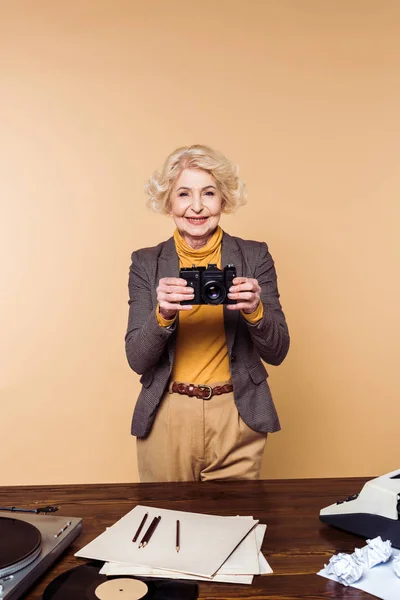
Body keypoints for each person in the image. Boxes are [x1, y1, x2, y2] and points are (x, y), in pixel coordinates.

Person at [125, 145, 289, 482]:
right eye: (183, 194)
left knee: (236, 528)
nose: (196, 206)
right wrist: (163, 315)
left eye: (209, 193)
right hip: (168, 413)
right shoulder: (146, 263)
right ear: (168, 202)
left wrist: (256, 310)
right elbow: (137, 360)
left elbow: (278, 352)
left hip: (238, 413)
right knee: (166, 526)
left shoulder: (254, 257)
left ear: (223, 200)